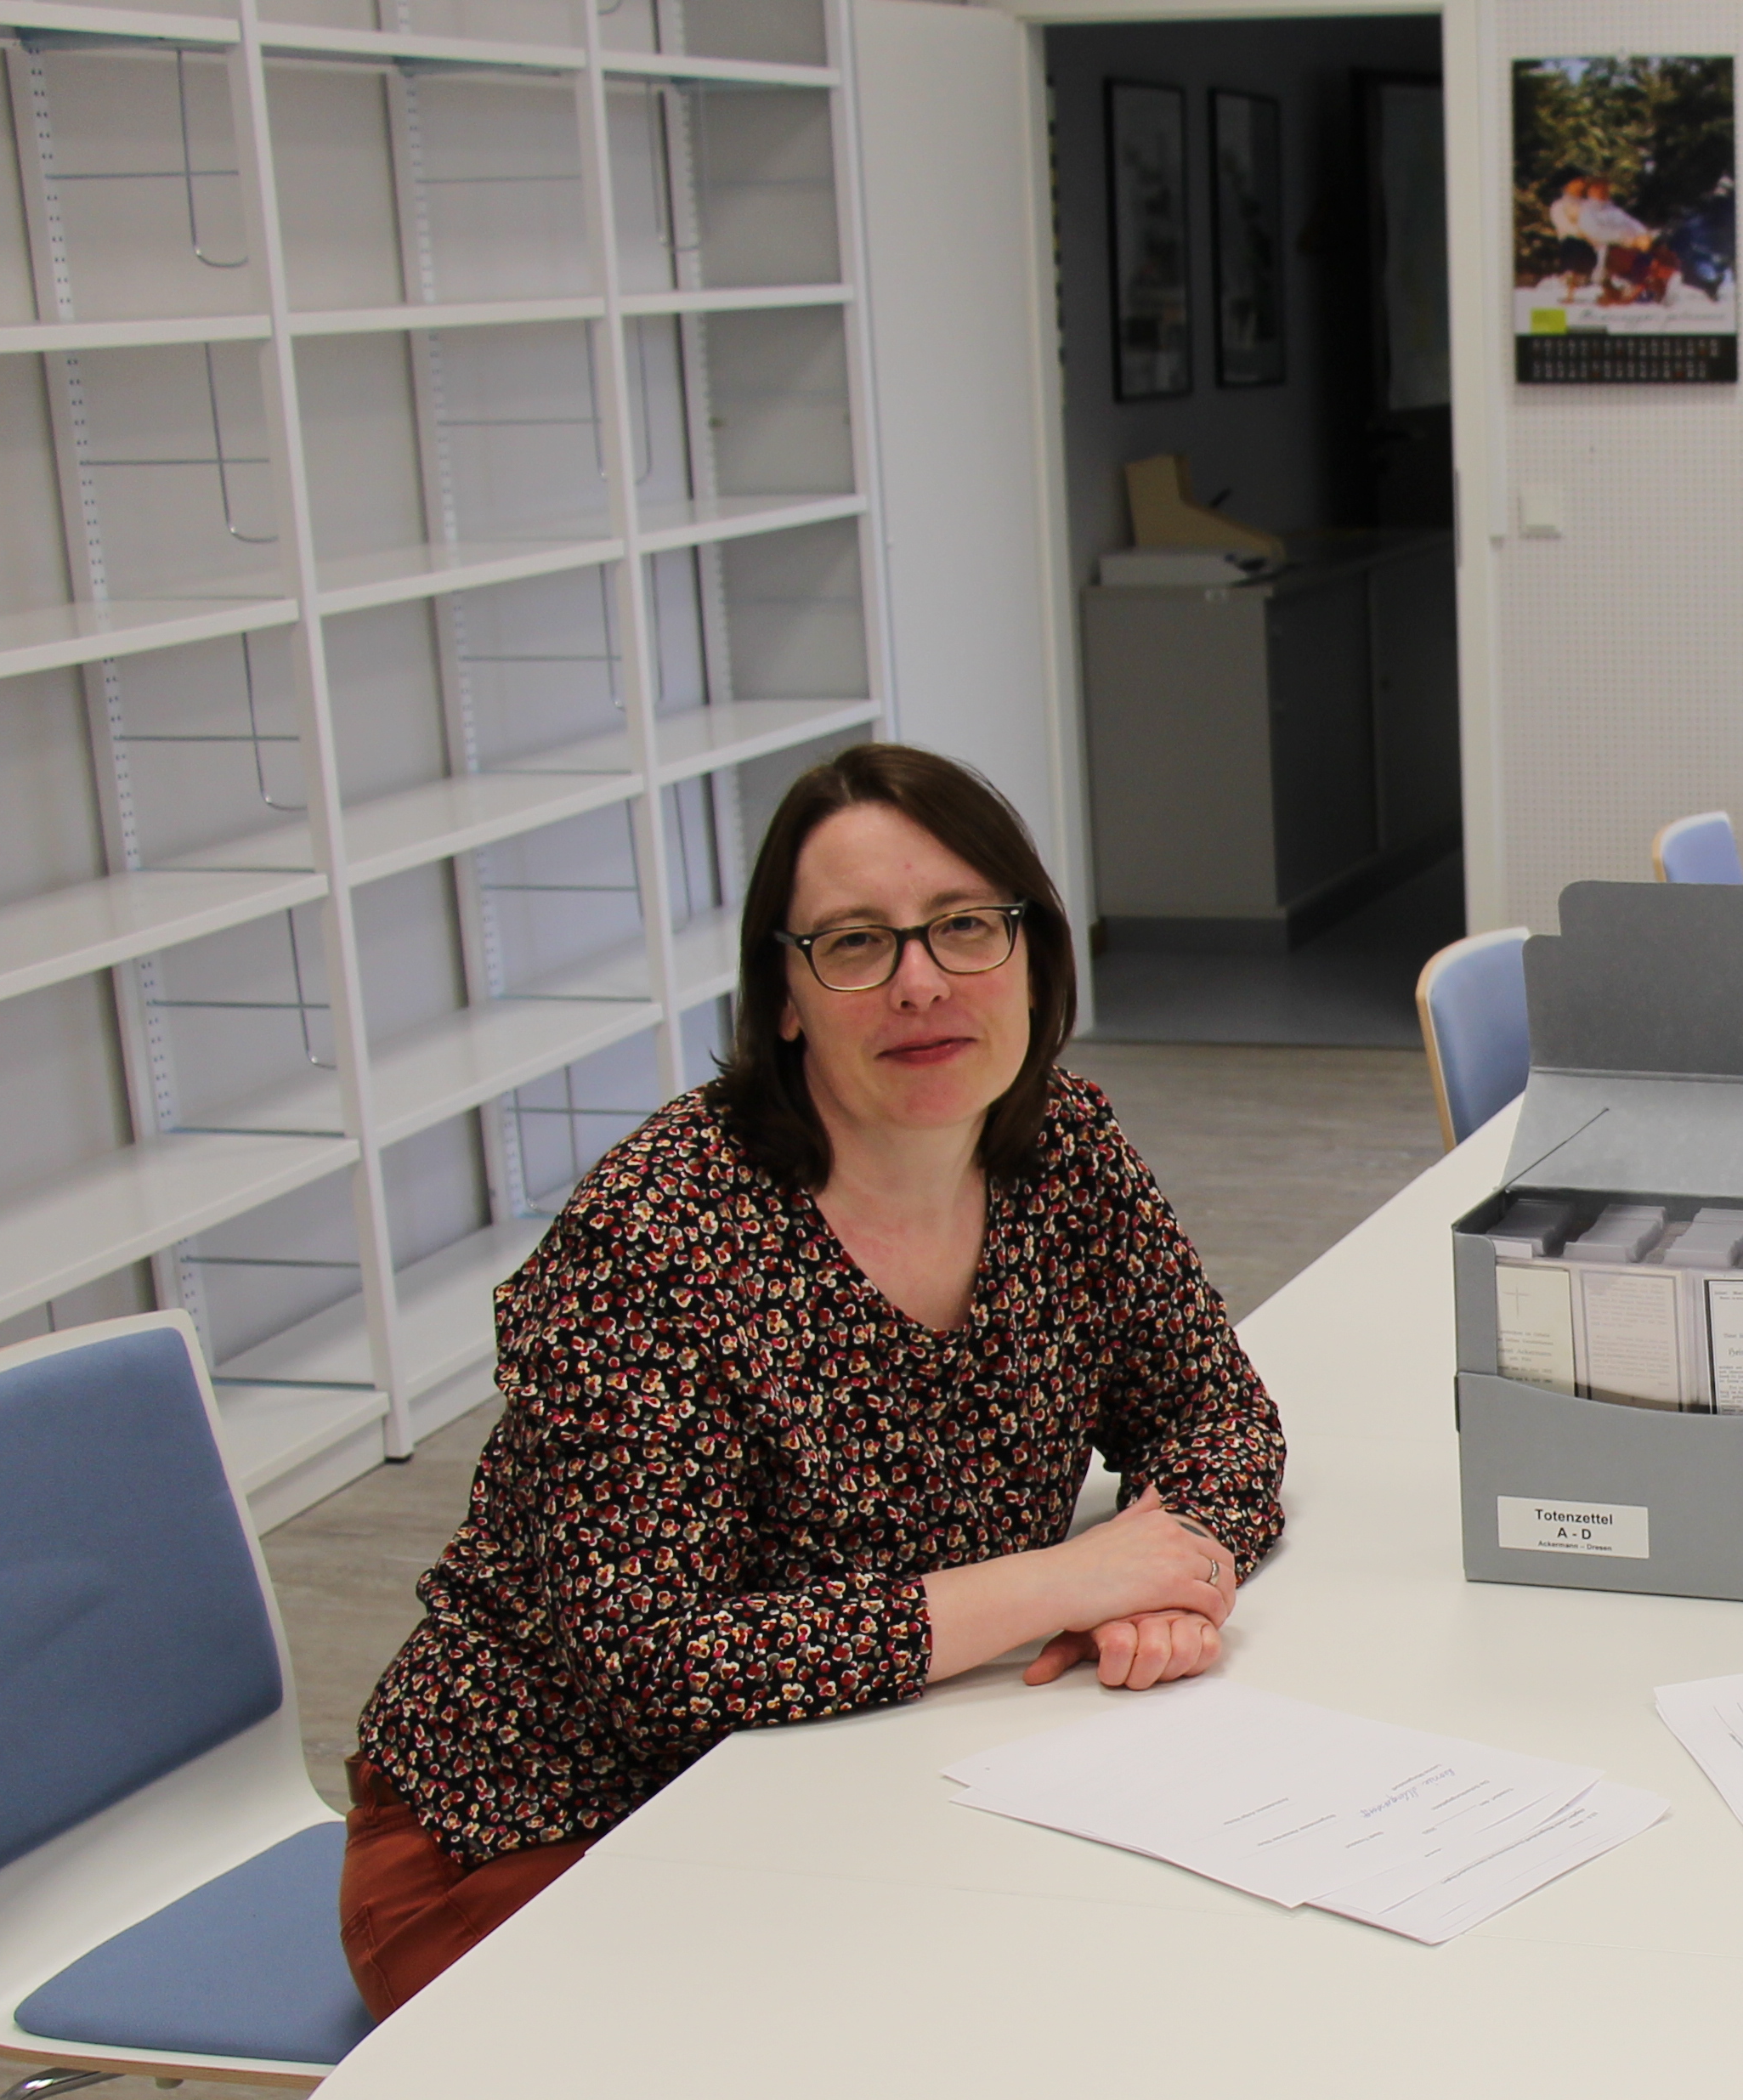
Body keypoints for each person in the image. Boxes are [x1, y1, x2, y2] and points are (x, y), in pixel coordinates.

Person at [337, 744, 1287, 2018]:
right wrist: (1061, 1581)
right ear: (784, 995)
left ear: (1033, 955)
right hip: (544, 1826)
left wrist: (1169, 1584)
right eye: (854, 944)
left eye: (964, 929)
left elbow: (1216, 1413)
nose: (920, 984)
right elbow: (656, 1660)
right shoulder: (658, 1237)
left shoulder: (1062, 1147)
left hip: (873, 1770)